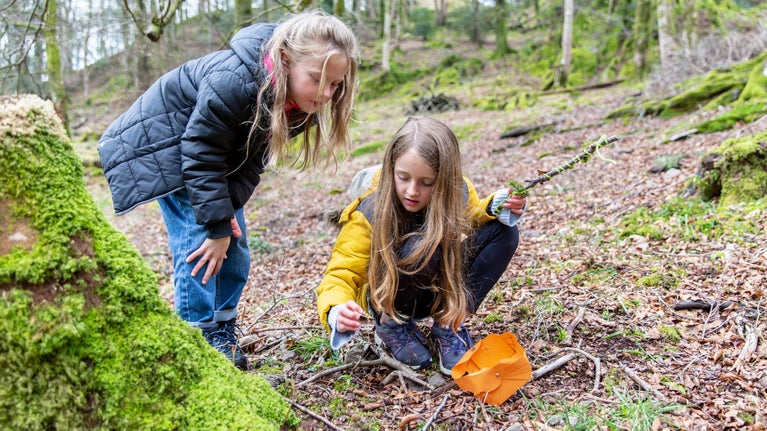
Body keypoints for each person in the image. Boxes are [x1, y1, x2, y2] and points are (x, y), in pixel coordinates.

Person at [98, 10, 359, 370]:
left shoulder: (299, 99)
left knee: (234, 249)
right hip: (169, 151)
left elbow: (252, 159)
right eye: (317, 79)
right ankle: (197, 338)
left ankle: (221, 329)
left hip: (210, 161)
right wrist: (216, 226)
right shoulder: (236, 82)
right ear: (285, 60)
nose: (327, 93)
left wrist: (228, 217)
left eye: (335, 84)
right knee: (199, 245)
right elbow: (200, 152)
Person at [316, 116, 526, 375]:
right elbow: (340, 274)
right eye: (403, 178)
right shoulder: (369, 211)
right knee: (420, 243)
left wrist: (496, 207)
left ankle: (450, 322)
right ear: (391, 168)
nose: (412, 191)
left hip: (436, 284)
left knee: (503, 232)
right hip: (393, 293)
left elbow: (472, 217)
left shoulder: (456, 191)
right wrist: (336, 310)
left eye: (426, 183)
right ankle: (391, 326)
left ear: (444, 179)